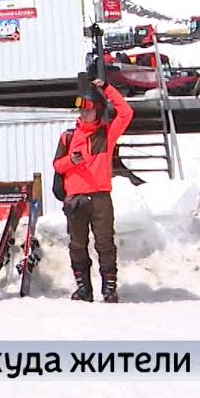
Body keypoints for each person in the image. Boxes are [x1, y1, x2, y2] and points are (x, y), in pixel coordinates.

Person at [54, 79, 134, 303]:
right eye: (81, 109)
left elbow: (126, 112)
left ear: (98, 111)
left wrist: (107, 88)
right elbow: (57, 166)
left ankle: (109, 288)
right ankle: (83, 289)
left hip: (100, 198)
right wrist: (71, 160)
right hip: (75, 200)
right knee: (77, 245)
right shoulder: (67, 137)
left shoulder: (106, 134)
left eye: (88, 110)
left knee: (105, 244)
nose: (84, 114)